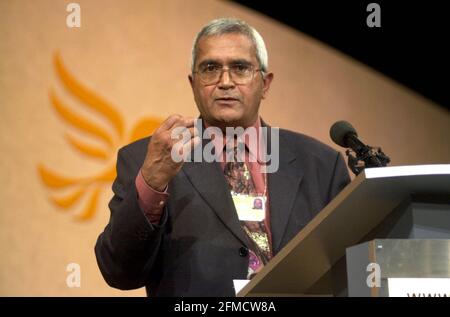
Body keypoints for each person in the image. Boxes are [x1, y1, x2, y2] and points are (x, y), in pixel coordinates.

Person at [95, 18, 350, 297]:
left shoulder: (321, 165)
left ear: (265, 84)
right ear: (193, 84)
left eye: (240, 68)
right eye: (210, 68)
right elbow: (119, 271)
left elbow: (351, 266)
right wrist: (152, 184)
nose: (225, 82)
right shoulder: (147, 159)